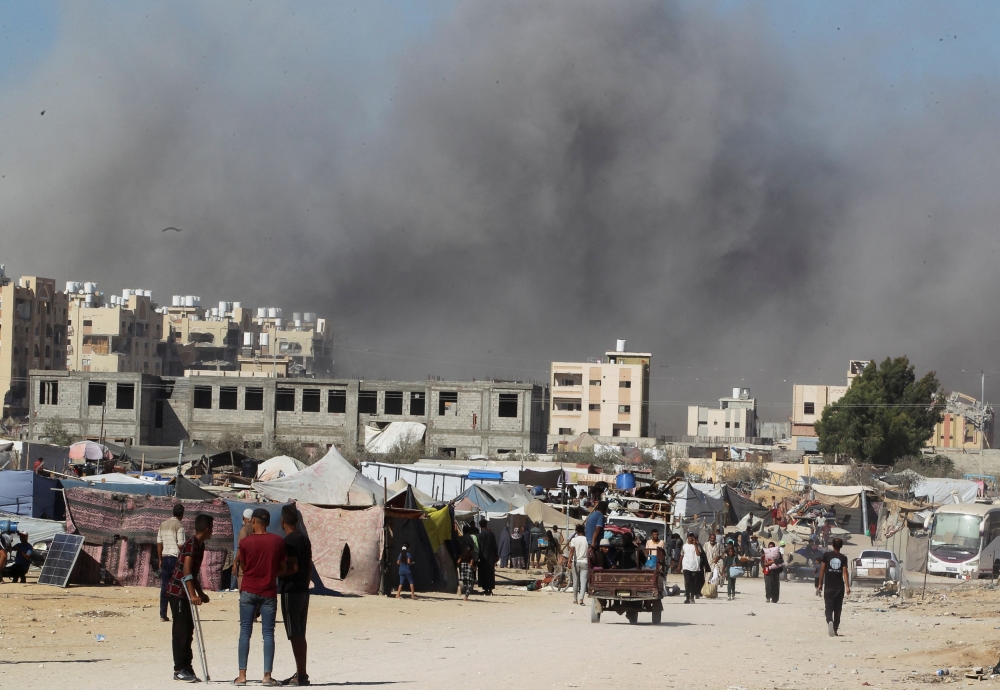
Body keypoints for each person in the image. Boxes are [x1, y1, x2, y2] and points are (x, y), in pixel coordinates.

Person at [235, 508, 288, 688]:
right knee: (268, 633)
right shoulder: (277, 541)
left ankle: (242, 675)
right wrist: (270, 573)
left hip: (249, 590)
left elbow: (243, 565)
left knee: (245, 631)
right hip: (268, 591)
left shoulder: (246, 543)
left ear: (254, 521)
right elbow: (282, 567)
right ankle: (267, 675)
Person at [166, 513, 213, 683]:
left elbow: (193, 574)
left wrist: (200, 593)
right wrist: (192, 594)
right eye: (212, 528)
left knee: (189, 630)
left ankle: (187, 666)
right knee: (181, 632)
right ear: (207, 529)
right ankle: (179, 668)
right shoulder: (191, 544)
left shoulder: (200, 545)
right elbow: (186, 571)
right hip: (178, 592)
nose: (212, 531)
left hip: (186, 592)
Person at [278, 504, 312, 686]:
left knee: (295, 634)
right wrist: (305, 585)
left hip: (291, 591)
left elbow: (292, 566)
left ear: (282, 521)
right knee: (300, 632)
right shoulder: (304, 539)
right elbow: (309, 565)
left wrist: (275, 573)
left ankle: (301, 675)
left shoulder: (289, 542)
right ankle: (301, 672)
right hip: (303, 591)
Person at [157, 504, 186, 622]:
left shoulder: (163, 524)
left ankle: (163, 614)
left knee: (165, 586)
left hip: (165, 558)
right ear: (182, 514)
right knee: (176, 587)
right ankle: (176, 613)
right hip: (175, 559)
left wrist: (160, 559)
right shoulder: (179, 526)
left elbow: (159, 543)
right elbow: (181, 545)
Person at [817, 537, 851, 636]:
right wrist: (847, 586)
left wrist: (819, 584)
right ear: (841, 546)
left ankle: (830, 621)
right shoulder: (843, 558)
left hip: (828, 586)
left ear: (832, 545)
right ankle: (835, 629)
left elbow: (822, 570)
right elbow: (845, 572)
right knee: (837, 609)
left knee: (828, 608)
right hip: (839, 587)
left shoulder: (827, 555)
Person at [231, 508, 254, 591]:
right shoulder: (255, 528)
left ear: (244, 518)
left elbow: (241, 548)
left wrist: (235, 562)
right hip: (253, 563)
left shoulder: (245, 529)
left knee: (243, 589)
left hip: (244, 564)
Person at [568, 524, 590, 605]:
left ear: (576, 531)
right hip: (585, 562)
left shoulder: (574, 540)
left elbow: (572, 551)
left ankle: (575, 599)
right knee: (583, 581)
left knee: (575, 581)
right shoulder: (587, 539)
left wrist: (569, 560)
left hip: (576, 562)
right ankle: (581, 599)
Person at [681, 533, 701, 604]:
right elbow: (681, 555)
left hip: (694, 567)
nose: (691, 538)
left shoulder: (697, 546)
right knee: (687, 582)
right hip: (686, 566)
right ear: (687, 537)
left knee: (692, 583)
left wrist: (695, 545)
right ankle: (687, 598)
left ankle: (692, 597)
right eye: (690, 537)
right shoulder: (684, 546)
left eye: (692, 537)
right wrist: (679, 565)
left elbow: (698, 554)